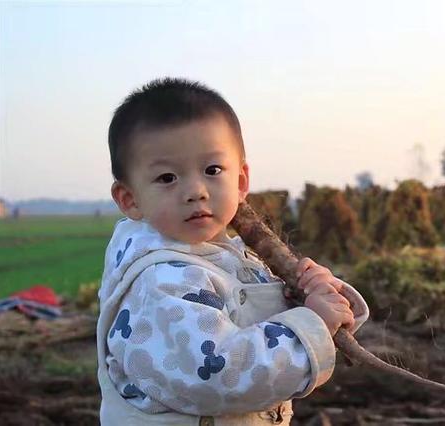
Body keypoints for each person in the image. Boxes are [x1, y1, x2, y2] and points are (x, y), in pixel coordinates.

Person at [97, 78, 369, 426]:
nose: (196, 191)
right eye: (167, 178)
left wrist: (316, 299)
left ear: (240, 182)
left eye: (212, 171)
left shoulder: (231, 256)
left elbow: (260, 323)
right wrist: (312, 323)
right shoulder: (159, 283)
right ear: (130, 199)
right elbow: (221, 376)